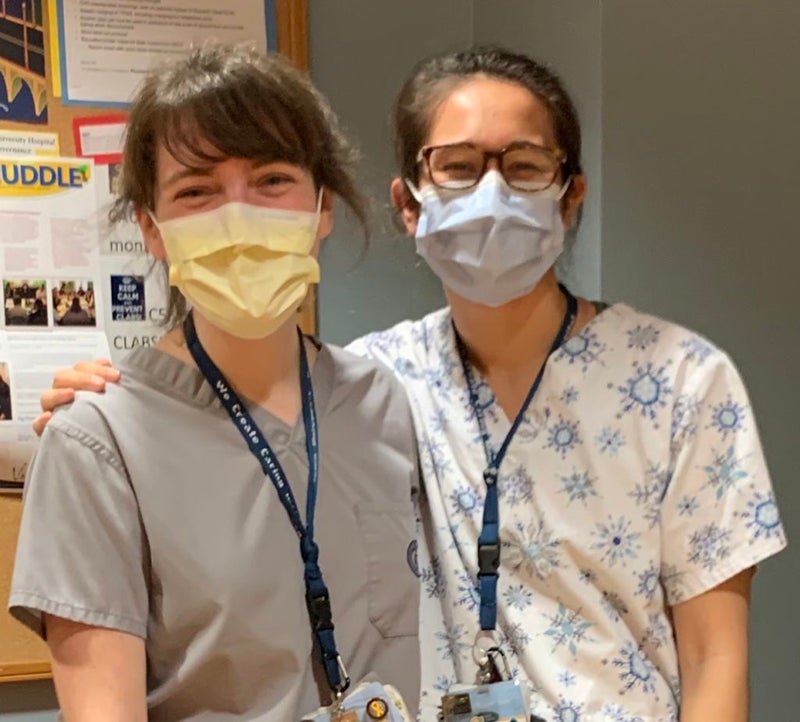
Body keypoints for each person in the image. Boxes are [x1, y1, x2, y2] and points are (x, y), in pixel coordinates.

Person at [34, 46, 785, 722]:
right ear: (406, 201)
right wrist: (99, 409)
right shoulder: (388, 378)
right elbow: (221, 405)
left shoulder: (681, 381)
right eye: (456, 167)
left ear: (571, 192)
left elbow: (718, 660)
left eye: (523, 165)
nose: (492, 193)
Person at [11, 43, 420, 721]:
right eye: (196, 191)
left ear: (322, 208)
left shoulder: (383, 402)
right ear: (152, 228)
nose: (239, 216)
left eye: (272, 181)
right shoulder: (98, 445)